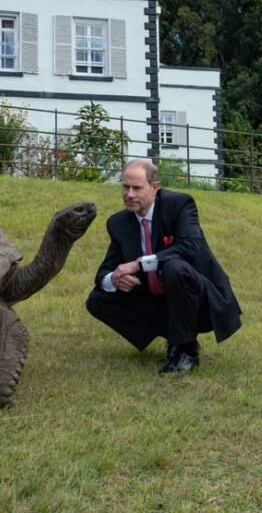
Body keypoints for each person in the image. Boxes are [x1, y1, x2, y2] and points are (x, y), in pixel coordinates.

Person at [86, 159, 241, 373]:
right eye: (125, 186)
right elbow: (104, 272)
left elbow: (189, 248)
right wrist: (114, 279)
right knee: (97, 299)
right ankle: (175, 337)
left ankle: (186, 349)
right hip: (159, 298)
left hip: (201, 297)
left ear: (154, 188)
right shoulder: (118, 223)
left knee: (174, 268)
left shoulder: (179, 205)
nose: (129, 194)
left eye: (137, 188)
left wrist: (139, 265)